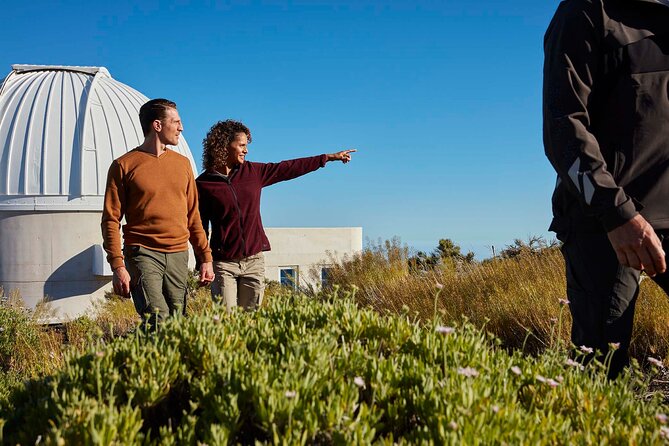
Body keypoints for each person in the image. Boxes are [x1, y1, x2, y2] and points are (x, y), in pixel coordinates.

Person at [543, 0, 669, 378]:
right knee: (600, 365)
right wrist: (617, 213)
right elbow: (562, 126)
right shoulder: (585, 11)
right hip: (605, 221)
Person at [196, 119, 355, 310]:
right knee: (225, 318)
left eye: (247, 145)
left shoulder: (254, 172)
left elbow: (288, 168)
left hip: (254, 260)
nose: (246, 150)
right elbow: (200, 227)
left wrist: (327, 158)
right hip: (224, 264)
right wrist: (204, 262)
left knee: (251, 319)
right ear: (223, 146)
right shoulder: (203, 184)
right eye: (242, 145)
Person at [101, 98, 215, 328]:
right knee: (157, 319)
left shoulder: (182, 165)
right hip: (142, 253)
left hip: (178, 254)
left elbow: (193, 216)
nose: (181, 127)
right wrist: (118, 266)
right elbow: (111, 219)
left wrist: (205, 258)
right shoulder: (124, 165)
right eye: (176, 121)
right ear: (157, 125)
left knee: (177, 322)